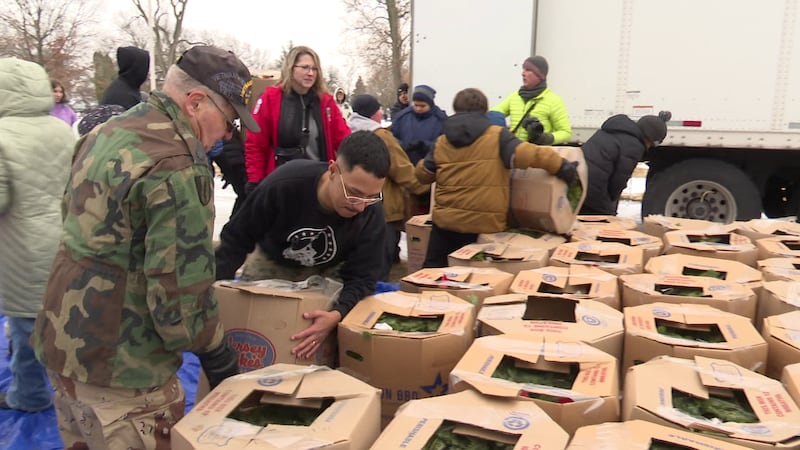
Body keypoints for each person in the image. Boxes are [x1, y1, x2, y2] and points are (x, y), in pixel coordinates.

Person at [31, 45, 260, 449]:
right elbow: (179, 295)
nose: (228, 134)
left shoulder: (105, 131)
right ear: (195, 102)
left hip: (64, 344)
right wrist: (218, 354)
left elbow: (73, 219)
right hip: (124, 369)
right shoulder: (178, 166)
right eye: (228, 122)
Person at [216, 131, 390, 359]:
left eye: (371, 196)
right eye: (353, 193)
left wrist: (338, 313)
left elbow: (364, 276)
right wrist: (214, 296)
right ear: (332, 170)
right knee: (251, 329)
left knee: (319, 341)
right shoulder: (285, 184)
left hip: (333, 268)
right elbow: (236, 239)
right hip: (273, 259)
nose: (360, 206)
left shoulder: (370, 211)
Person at [415, 88, 578, 268]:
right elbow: (531, 153)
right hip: (483, 228)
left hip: (445, 225)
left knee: (433, 274)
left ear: (456, 110)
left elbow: (423, 175)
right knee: (474, 282)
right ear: (485, 111)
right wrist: (562, 166)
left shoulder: (442, 141)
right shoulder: (498, 136)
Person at [0, 58, 76, 413]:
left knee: (25, 327)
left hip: (22, 247)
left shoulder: (2, 136)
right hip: (65, 240)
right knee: (64, 317)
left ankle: (30, 395)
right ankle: (76, 391)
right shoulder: (62, 128)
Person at [244, 45, 351, 190]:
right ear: (291, 68)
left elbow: (344, 140)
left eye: (314, 69)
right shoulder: (270, 99)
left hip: (319, 183)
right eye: (305, 67)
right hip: (281, 183)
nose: (310, 73)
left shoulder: (326, 103)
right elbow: (256, 144)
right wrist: (255, 181)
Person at [349, 94, 430, 280]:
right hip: (384, 209)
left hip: (355, 206)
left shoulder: (348, 133)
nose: (380, 112)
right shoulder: (381, 137)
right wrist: (425, 187)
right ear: (372, 113)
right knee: (380, 261)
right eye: (377, 109)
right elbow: (402, 170)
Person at [580, 113, 670, 215]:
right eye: (651, 144)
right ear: (649, 138)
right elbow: (619, 180)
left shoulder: (610, 130)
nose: (649, 147)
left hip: (577, 179)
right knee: (604, 220)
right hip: (593, 188)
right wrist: (611, 205)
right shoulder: (634, 146)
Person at [491, 55, 572, 145]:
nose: (523, 73)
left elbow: (566, 133)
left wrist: (544, 138)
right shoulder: (515, 96)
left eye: (528, 70)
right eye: (523, 69)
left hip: (537, 155)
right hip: (515, 153)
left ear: (539, 75)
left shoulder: (554, 100)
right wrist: (502, 131)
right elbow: (494, 113)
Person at [391, 84, 446, 215]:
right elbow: (391, 138)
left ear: (430, 104)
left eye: (422, 106)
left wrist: (427, 145)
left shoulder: (441, 119)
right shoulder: (402, 117)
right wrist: (403, 145)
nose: (419, 109)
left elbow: (445, 144)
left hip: (430, 172)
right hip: (407, 169)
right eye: (416, 105)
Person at [101, 46, 151, 110]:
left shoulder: (126, 88)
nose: (147, 72)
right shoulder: (122, 95)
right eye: (145, 68)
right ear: (136, 68)